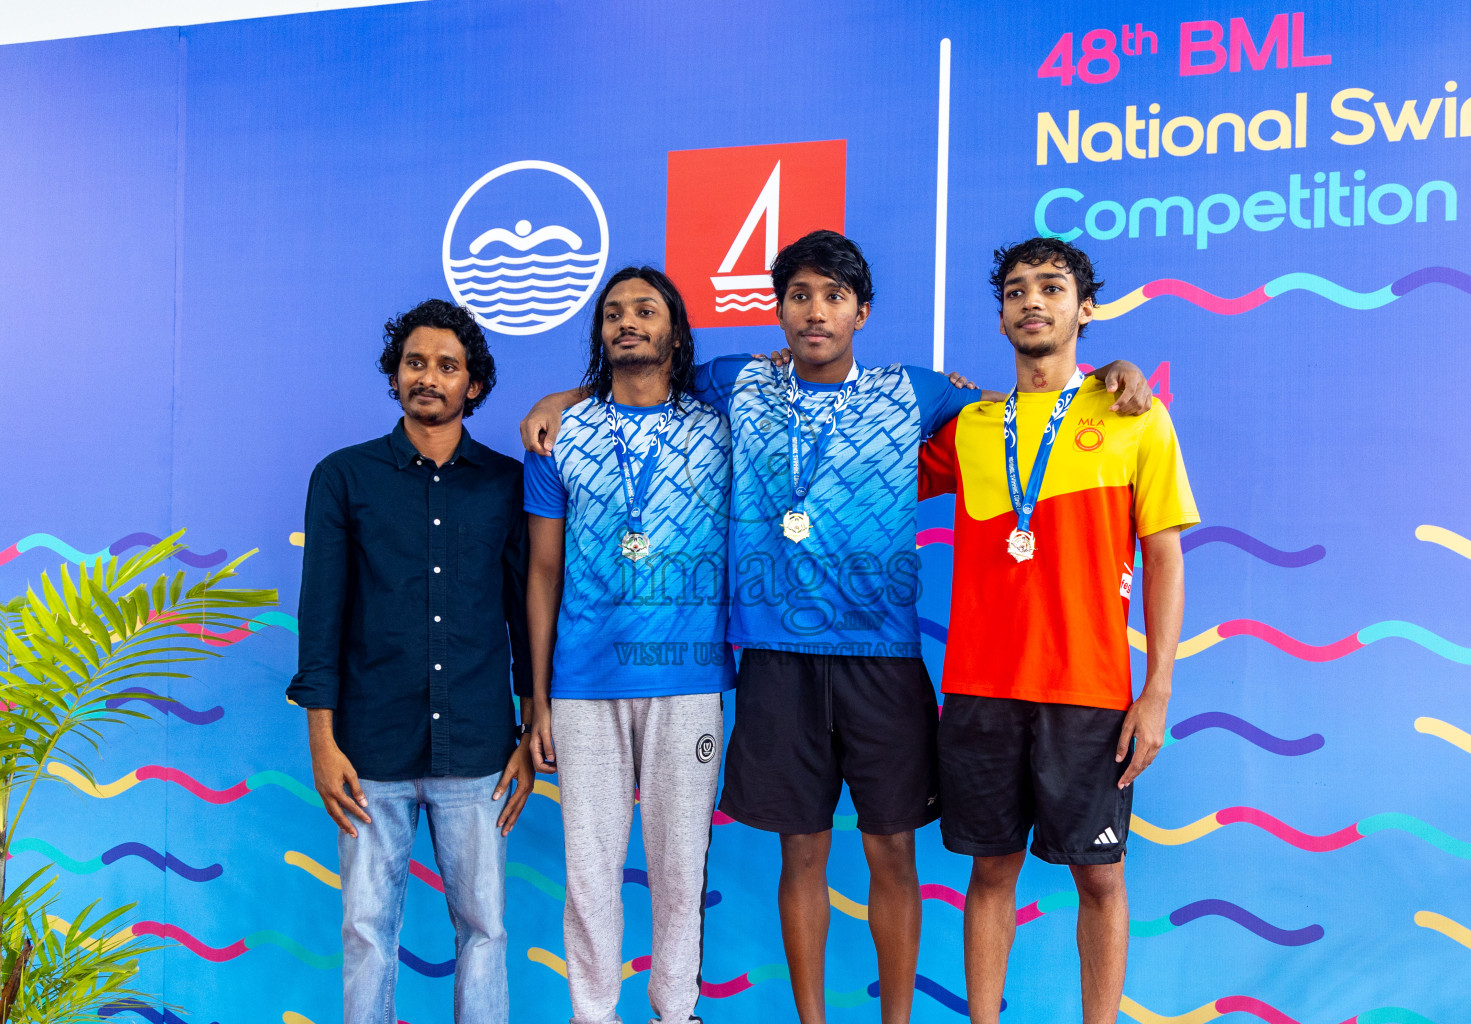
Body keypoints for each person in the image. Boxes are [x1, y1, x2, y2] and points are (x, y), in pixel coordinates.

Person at [521, 231, 1152, 1024]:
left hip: (882, 661)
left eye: (832, 297)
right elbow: (644, 381)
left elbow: (1024, 410)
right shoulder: (739, 384)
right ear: (779, 310)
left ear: (862, 311)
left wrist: (1113, 376)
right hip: (778, 663)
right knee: (803, 853)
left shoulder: (916, 393)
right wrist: (563, 401)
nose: (814, 312)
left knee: (892, 851)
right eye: (798, 296)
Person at [917, 237, 1198, 1024]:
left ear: (1086, 308)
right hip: (979, 688)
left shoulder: (1133, 414)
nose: (1031, 301)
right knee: (989, 874)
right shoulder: (971, 424)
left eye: (1051, 287)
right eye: (1014, 290)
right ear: (1002, 315)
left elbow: (1165, 559)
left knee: (1101, 880)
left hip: (1090, 691)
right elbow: (874, 460)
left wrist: (1158, 691)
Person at [287, 298, 536, 1024]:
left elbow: (526, 617)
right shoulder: (343, 479)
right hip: (369, 755)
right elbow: (320, 619)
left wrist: (529, 730)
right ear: (395, 377)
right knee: (367, 933)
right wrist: (323, 742)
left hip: (481, 752)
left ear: (474, 386)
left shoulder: (506, 484)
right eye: (415, 363)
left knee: (485, 931)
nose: (429, 377)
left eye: (447, 366)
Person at [522, 267, 734, 1024]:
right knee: (589, 874)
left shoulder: (720, 427)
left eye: (645, 310)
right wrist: (538, 700)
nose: (627, 322)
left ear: (675, 330)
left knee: (681, 873)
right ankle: (593, 1014)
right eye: (612, 313)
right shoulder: (558, 435)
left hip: (687, 680)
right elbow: (542, 573)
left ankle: (676, 1013)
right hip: (583, 686)